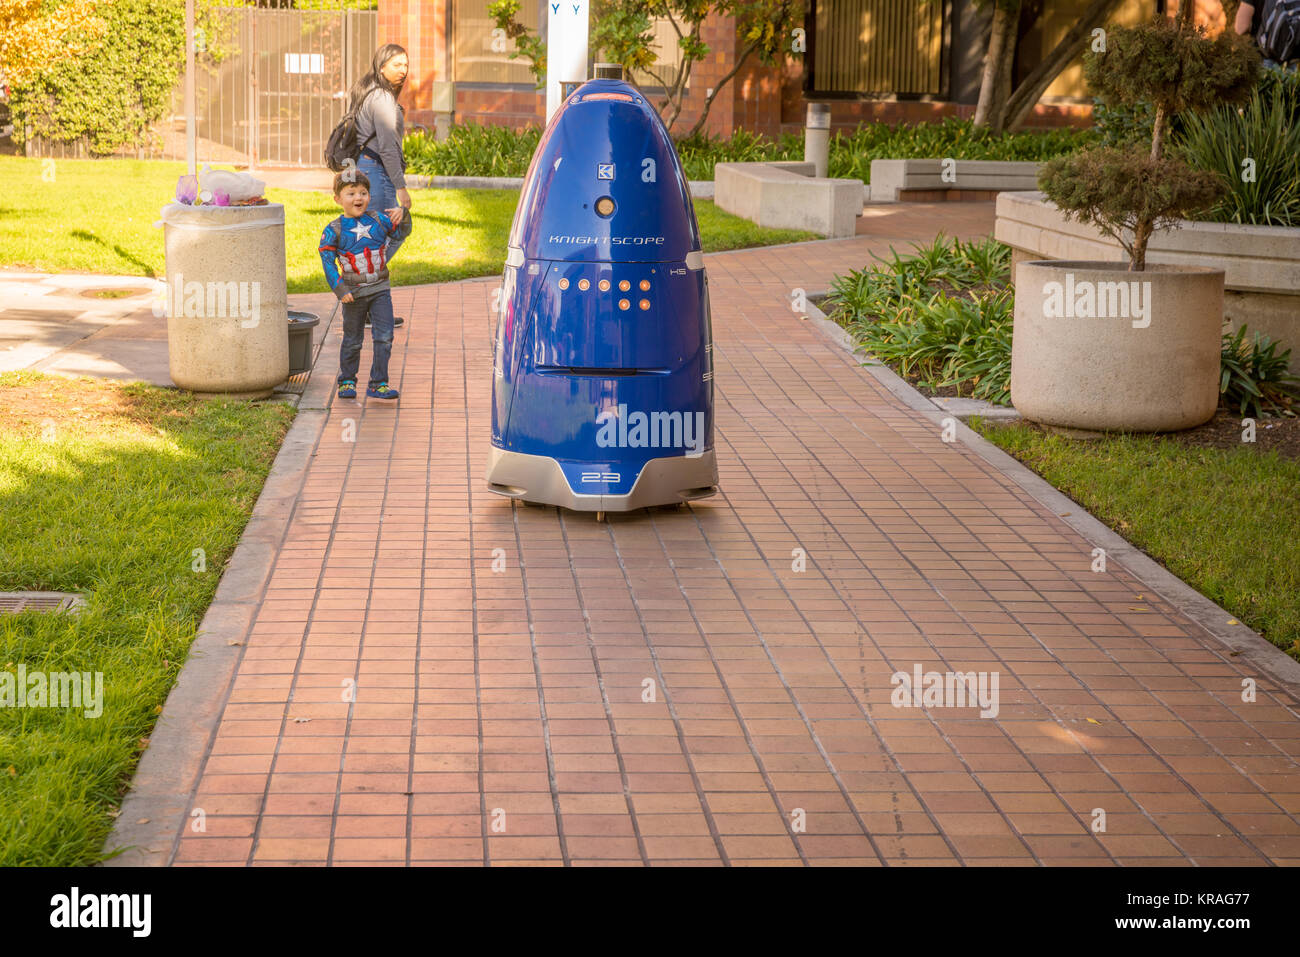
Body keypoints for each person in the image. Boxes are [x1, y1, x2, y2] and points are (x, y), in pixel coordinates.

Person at [319, 169, 404, 401]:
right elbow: (327, 261)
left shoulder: (378, 220)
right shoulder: (334, 230)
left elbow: (402, 231)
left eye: (363, 192)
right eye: (351, 193)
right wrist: (340, 289)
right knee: (352, 338)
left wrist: (402, 216)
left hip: (380, 289)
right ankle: (347, 380)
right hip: (353, 293)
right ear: (337, 198)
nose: (358, 198)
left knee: (384, 335)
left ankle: (378, 383)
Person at [349, 43, 413, 326]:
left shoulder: (371, 94)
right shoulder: (382, 99)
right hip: (378, 173)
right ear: (382, 66)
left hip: (369, 169)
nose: (404, 70)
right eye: (397, 64)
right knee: (391, 231)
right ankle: (366, 306)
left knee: (375, 240)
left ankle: (366, 305)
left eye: (406, 65)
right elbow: (387, 147)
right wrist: (401, 187)